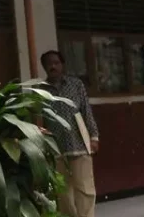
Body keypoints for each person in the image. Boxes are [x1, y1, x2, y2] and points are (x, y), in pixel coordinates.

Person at [41, 50, 99, 217]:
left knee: (85, 189)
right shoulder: (40, 90)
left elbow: (86, 110)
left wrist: (94, 137)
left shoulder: (76, 85)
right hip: (56, 148)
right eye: (49, 64)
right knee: (63, 193)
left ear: (62, 65)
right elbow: (38, 118)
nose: (53, 66)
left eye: (56, 63)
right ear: (44, 66)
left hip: (79, 144)